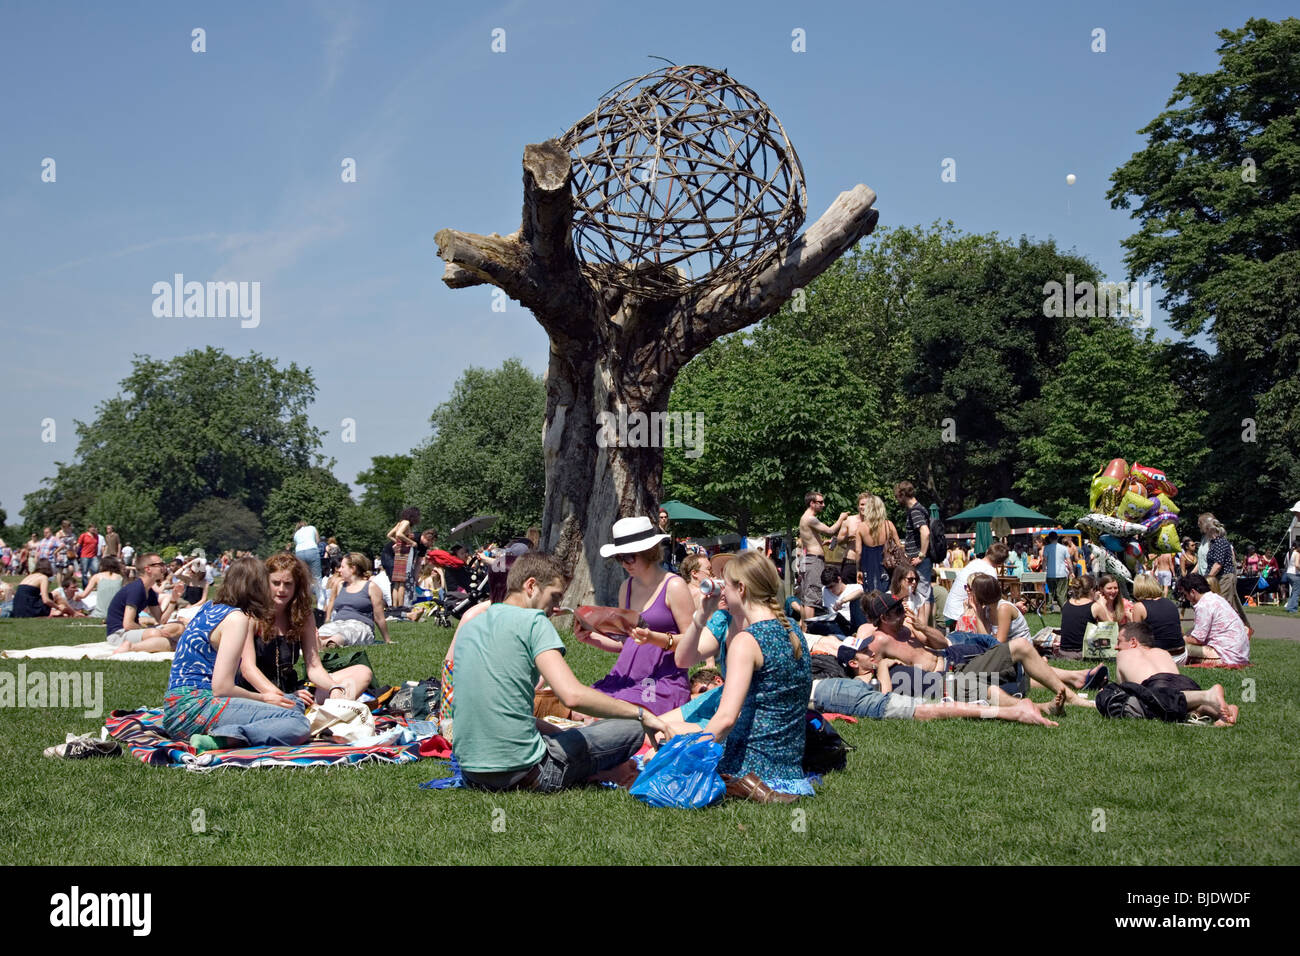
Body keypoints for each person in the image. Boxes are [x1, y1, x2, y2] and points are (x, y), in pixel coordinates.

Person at [452, 551, 670, 792]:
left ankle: (596, 766)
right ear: (531, 586)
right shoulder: (534, 621)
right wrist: (641, 713)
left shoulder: (471, 625)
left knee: (582, 733)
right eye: (554, 597)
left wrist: (559, 733)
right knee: (629, 727)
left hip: (471, 773)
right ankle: (601, 768)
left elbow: (503, 712)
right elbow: (572, 696)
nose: (555, 608)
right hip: (528, 774)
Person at [665, 550, 813, 800]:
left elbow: (725, 719)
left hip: (750, 765)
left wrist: (691, 760)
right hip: (789, 766)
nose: (723, 591)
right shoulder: (793, 630)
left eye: (728, 585)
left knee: (658, 754)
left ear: (741, 588)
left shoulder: (747, 640)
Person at [162, 557, 312, 752]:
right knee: (297, 723)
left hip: (175, 710)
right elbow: (222, 688)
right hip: (197, 709)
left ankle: (228, 733)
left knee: (293, 705)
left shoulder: (211, 607)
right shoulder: (236, 619)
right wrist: (265, 699)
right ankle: (223, 740)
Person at [862, 591, 1097, 711]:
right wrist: (880, 666)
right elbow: (858, 662)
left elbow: (943, 644)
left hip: (954, 660)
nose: (904, 613)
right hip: (947, 678)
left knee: (1018, 649)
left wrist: (922, 627)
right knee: (1016, 654)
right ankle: (1065, 693)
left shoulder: (909, 629)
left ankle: (1070, 693)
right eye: (898, 611)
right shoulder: (877, 640)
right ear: (883, 617)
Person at [570, 516, 692, 715]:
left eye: (629, 556)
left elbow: (692, 643)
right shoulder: (626, 587)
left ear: (649, 552)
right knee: (580, 711)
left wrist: (654, 638)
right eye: (620, 558)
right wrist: (591, 638)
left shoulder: (674, 585)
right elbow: (626, 643)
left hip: (659, 681)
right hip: (625, 678)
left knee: (609, 719)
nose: (625, 564)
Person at [808, 639, 1056, 726]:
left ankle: (1043, 704)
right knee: (987, 688)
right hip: (942, 688)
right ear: (853, 663)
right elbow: (883, 696)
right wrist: (882, 667)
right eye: (864, 653)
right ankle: (1026, 708)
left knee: (1007, 678)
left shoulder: (883, 664)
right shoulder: (867, 680)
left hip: (944, 678)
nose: (871, 654)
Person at [237, 553, 373, 703]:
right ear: (265, 583)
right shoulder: (252, 616)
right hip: (258, 694)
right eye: (276, 583)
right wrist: (282, 697)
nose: (282, 589)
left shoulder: (303, 616)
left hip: (293, 689)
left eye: (288, 584)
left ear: (297, 586)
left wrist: (333, 688)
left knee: (362, 672)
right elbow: (248, 669)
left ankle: (328, 710)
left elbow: (314, 667)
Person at [1103, 621, 1237, 725]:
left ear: (1133, 642)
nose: (1116, 647)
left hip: (1157, 688)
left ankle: (1208, 695)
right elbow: (1175, 686)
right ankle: (1224, 712)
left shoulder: (1124, 654)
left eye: (1119, 641)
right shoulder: (1163, 652)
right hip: (1184, 683)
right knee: (1186, 706)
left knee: (1158, 701)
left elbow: (1124, 690)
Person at [320, 552, 393, 646]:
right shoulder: (340, 585)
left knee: (341, 637)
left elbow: (379, 617)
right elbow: (331, 601)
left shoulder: (371, 587)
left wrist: (387, 640)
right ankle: (321, 643)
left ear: (353, 569)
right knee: (319, 633)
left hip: (360, 625)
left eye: (342, 567)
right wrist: (327, 618)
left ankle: (326, 644)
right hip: (338, 623)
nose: (339, 570)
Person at [1179, 574, 1250, 666]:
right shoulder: (1216, 598)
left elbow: (1197, 640)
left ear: (1193, 592)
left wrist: (1179, 639)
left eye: (1185, 594)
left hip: (1225, 656)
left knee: (1178, 647)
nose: (1186, 598)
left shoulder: (1203, 605)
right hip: (1238, 654)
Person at [941, 542, 1008, 628]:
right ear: (1000, 562)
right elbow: (993, 599)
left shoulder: (975, 562)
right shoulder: (990, 571)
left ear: (987, 551)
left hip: (950, 610)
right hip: (961, 614)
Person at [1200, 514, 1250, 630]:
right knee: (1227, 604)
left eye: (1202, 527)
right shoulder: (1213, 543)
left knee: (1225, 604)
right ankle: (1237, 627)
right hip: (1219, 578)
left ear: (1208, 529)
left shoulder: (1220, 543)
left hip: (1225, 577)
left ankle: (1238, 628)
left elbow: (1218, 564)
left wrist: (1206, 578)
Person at [1128, 573, 1186, 663]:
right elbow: (1180, 631)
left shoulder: (1139, 607)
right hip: (1181, 654)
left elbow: (1136, 636)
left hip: (1161, 657)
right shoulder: (1169, 602)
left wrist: (1129, 616)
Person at [967, 572, 1032, 643]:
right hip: (1002, 650)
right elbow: (984, 638)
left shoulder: (1004, 608)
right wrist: (978, 612)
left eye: (971, 590)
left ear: (981, 593)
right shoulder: (987, 609)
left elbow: (999, 642)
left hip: (1019, 651)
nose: (970, 592)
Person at [855, 493, 900, 595]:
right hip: (887, 564)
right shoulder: (889, 524)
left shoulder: (861, 527)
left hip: (868, 564)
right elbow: (899, 546)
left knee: (871, 594)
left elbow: (858, 551)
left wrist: (858, 569)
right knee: (887, 592)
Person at [1055, 574, 1098, 660]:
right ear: (1092, 590)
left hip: (1063, 652)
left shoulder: (1066, 603)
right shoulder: (1094, 606)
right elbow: (1110, 627)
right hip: (1081, 653)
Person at [386, 507, 420, 608]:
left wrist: (398, 543)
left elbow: (389, 535)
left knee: (397, 582)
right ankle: (400, 606)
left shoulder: (400, 522)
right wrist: (411, 542)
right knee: (402, 582)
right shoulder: (406, 523)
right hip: (404, 554)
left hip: (398, 553)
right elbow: (399, 534)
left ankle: (395, 606)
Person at [292, 520, 322, 601]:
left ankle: (304, 598)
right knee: (317, 577)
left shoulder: (296, 534)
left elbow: (296, 543)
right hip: (312, 550)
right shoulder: (312, 528)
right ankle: (320, 599)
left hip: (299, 553)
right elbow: (318, 540)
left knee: (304, 576)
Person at [1041, 532, 1071, 612]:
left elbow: (1044, 561)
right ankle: (1064, 608)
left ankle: (1048, 608)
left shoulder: (1046, 548)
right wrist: (1071, 571)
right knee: (1061, 593)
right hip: (1062, 573)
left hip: (1050, 574)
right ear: (1057, 538)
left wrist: (1043, 571)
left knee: (1050, 592)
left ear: (1050, 539)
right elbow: (1068, 561)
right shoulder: (1064, 548)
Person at [1286, 540, 1300, 614]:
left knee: (1294, 592)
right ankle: (1293, 609)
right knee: (1296, 592)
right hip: (1295, 574)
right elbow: (1297, 565)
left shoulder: (1289, 553)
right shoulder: (1297, 553)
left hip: (1288, 573)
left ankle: (1289, 607)